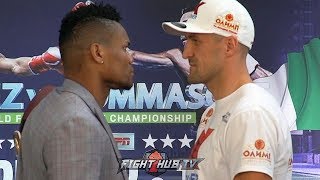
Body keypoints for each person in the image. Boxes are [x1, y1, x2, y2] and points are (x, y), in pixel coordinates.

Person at [162, 0, 293, 179]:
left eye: (196, 41)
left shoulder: (250, 112)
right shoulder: (213, 112)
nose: (186, 53)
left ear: (229, 46)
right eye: (186, 41)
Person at [18, 2, 132, 180]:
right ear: (98, 52)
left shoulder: (54, 108)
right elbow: (18, 66)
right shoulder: (77, 123)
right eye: (124, 48)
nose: (131, 57)